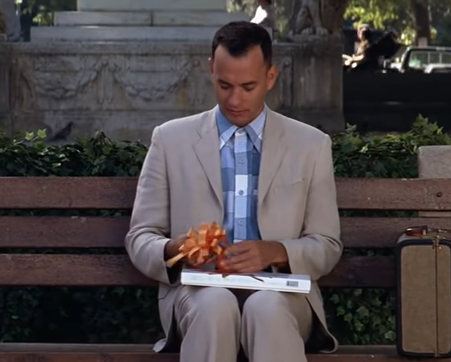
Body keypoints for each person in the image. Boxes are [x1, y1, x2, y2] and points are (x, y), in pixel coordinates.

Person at [125, 21, 341, 362]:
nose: (235, 99)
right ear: (211, 69)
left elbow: (327, 246)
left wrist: (275, 251)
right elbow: (140, 238)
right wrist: (175, 249)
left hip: (282, 295)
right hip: (198, 292)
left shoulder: (311, 145)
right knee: (214, 304)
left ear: (270, 77)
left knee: (266, 307)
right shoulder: (170, 140)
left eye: (248, 86)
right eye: (224, 85)